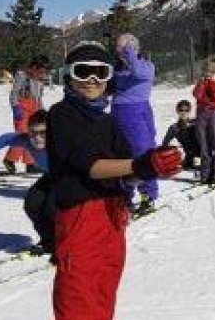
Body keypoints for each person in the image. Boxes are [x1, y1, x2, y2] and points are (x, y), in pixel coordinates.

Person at [47, 42, 182, 320]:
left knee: (103, 295)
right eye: (83, 72)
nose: (93, 80)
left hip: (112, 217)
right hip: (80, 218)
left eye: (101, 72)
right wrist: (138, 164)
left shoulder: (107, 121)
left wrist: (150, 169)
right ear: (69, 76)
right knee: (78, 299)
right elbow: (91, 166)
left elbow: (126, 172)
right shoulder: (63, 114)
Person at [0, 111, 55, 256]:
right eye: (33, 133)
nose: (37, 138)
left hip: (70, 178)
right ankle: (48, 240)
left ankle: (64, 241)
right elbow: (7, 139)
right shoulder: (26, 141)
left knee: (51, 209)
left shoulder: (61, 141)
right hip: (51, 176)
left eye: (43, 133)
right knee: (32, 204)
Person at [110, 33, 159, 216]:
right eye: (119, 49)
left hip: (137, 114)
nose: (121, 52)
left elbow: (138, 72)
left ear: (135, 49)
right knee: (120, 156)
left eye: (125, 49)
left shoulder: (147, 66)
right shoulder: (119, 69)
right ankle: (125, 196)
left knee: (143, 153)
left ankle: (148, 195)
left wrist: (129, 51)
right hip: (117, 114)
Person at [5, 55, 49, 174]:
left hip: (34, 111)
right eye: (40, 70)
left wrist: (42, 111)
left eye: (44, 71)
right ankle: (9, 159)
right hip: (22, 110)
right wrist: (16, 107)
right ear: (34, 67)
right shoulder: (22, 76)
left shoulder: (40, 81)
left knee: (33, 137)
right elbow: (14, 94)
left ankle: (30, 163)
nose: (42, 73)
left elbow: (39, 99)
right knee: (22, 136)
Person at [192, 58, 215, 185]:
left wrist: (212, 82)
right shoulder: (201, 82)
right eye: (207, 70)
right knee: (204, 145)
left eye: (214, 71)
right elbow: (197, 95)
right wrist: (202, 83)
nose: (210, 73)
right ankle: (206, 174)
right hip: (202, 114)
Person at [161, 99, 202, 171]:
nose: (183, 113)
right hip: (189, 158)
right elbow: (165, 143)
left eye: (186, 110)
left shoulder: (196, 123)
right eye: (181, 110)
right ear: (177, 111)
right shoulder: (174, 128)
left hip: (203, 156)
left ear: (189, 111)